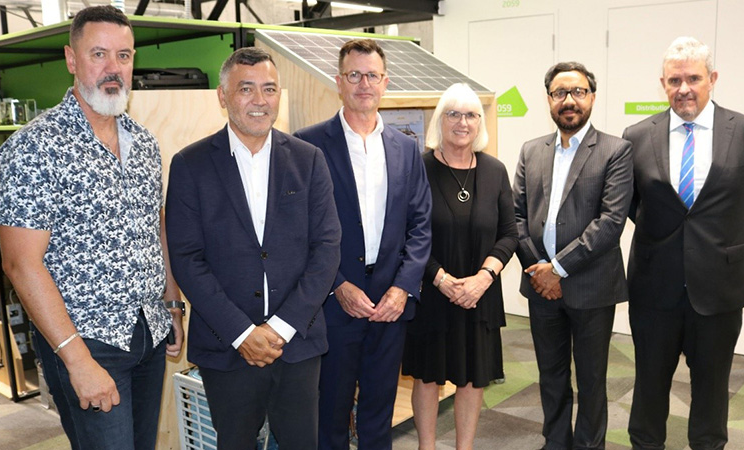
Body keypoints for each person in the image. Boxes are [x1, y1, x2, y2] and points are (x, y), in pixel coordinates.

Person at [0, 6, 184, 450]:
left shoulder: (144, 143)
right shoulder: (33, 148)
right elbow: (21, 264)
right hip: (86, 340)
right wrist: (77, 361)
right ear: (71, 59)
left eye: (124, 55)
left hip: (148, 331)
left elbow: (154, 226)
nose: (113, 68)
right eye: (99, 53)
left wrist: (172, 304)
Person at [165, 47, 341, 450]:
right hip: (226, 345)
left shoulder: (308, 160)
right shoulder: (190, 165)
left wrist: (279, 328)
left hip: (297, 343)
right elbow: (187, 258)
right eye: (246, 89)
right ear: (223, 96)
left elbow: (327, 248)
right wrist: (243, 333)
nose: (259, 101)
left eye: (269, 89)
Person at [623, 37, 744, 450]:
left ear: (712, 79)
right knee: (649, 383)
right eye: (674, 80)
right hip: (654, 288)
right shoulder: (636, 135)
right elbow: (632, 204)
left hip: (719, 289)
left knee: (711, 388)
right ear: (662, 83)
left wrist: (719, 243)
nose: (683, 88)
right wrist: (667, 239)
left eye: (693, 78)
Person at [293, 38, 432, 450]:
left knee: (379, 411)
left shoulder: (407, 149)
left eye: (372, 75)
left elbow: (421, 225)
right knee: (330, 411)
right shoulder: (307, 144)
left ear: (385, 82)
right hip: (335, 301)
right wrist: (336, 283)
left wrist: (403, 288)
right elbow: (299, 228)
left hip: (391, 302)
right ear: (339, 81)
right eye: (354, 75)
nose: (363, 84)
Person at [512, 62, 633, 450]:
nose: (569, 100)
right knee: (551, 373)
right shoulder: (532, 150)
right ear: (548, 99)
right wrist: (537, 270)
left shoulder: (616, 150)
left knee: (592, 378)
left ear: (592, 97)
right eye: (560, 93)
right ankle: (556, 441)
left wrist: (558, 269)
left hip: (591, 285)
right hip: (539, 286)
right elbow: (514, 216)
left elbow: (611, 222)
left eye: (578, 92)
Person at [401, 83, 518, 450]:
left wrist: (483, 279)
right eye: (453, 113)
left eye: (470, 115)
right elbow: (408, 233)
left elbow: (509, 233)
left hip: (479, 293)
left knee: (473, 377)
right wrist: (441, 278)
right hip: (433, 291)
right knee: (428, 376)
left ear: (479, 122)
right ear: (440, 120)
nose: (462, 122)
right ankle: (426, 446)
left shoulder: (494, 170)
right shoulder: (418, 168)